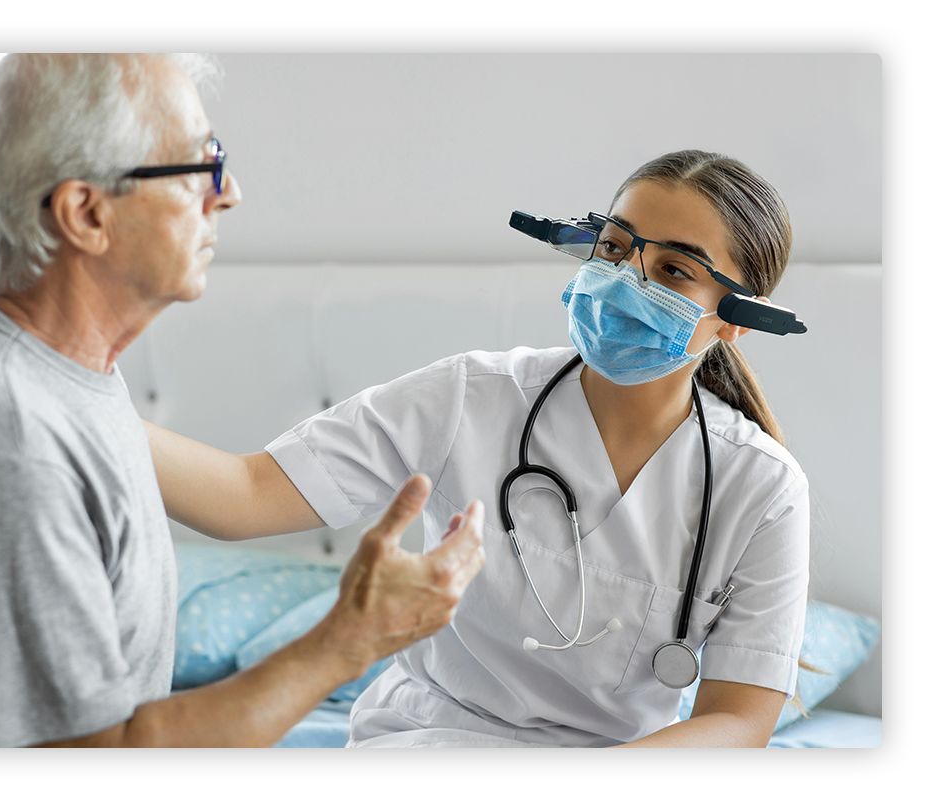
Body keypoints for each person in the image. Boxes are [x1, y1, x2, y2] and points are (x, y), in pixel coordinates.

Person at [0, 53, 486, 749]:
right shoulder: (3, 434)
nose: (228, 195)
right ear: (87, 214)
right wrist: (345, 641)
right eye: (201, 166)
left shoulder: (65, 375)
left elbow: (242, 492)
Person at [144, 150, 810, 747]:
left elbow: (739, 719)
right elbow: (248, 495)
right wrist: (68, 406)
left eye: (673, 269)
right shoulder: (472, 396)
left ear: (737, 317)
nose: (627, 280)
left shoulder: (763, 488)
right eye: (613, 248)